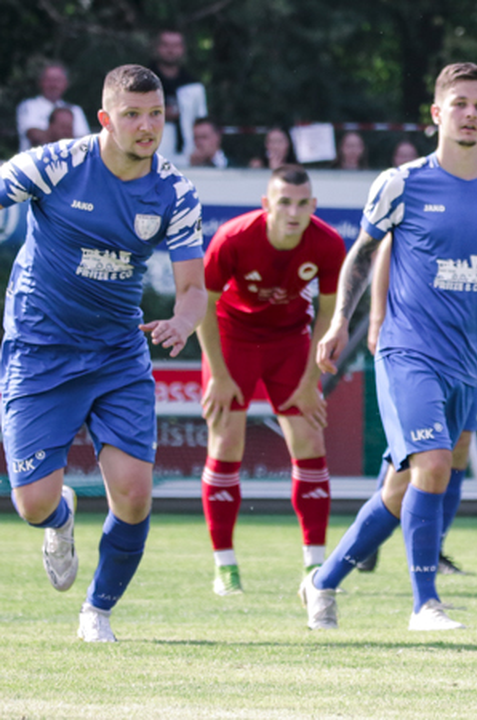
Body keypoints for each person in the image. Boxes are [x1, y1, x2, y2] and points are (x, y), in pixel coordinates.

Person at [300, 62, 477, 633]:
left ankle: (323, 581)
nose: (470, 114)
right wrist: (340, 321)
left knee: (404, 483)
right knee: (433, 465)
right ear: (438, 114)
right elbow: (362, 255)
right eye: (459, 103)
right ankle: (424, 604)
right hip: (407, 349)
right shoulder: (402, 182)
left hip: (469, 355)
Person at [0, 64, 206, 642]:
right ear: (105, 118)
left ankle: (98, 609)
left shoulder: (174, 192)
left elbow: (193, 290)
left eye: (156, 115)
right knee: (33, 503)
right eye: (133, 114)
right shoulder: (56, 164)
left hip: (118, 354)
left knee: (135, 496)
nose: (147, 126)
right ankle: (59, 518)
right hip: (40, 350)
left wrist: (183, 323)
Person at [357, 118, 477, 576]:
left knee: (459, 448)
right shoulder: (422, 183)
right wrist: (376, 319)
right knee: (413, 451)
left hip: (470, 340)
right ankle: (374, 535)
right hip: (419, 337)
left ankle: (435, 549)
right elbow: (385, 250)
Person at [196, 165, 346, 596]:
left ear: (313, 206)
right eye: (284, 202)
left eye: (302, 203)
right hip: (233, 340)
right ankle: (225, 567)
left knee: (310, 442)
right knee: (225, 443)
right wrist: (220, 375)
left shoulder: (328, 243)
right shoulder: (233, 237)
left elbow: (329, 317)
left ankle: (314, 569)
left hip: (290, 343)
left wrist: (308, 380)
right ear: (267, 205)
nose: (293, 212)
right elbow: (202, 306)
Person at [147, 30, 208, 168]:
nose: (171, 50)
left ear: (183, 49)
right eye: (166, 45)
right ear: (157, 47)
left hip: (188, 157)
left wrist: (202, 150)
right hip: (151, 156)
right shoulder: (142, 82)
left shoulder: (193, 86)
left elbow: (202, 122)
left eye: (176, 46)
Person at [16, 62, 91, 150]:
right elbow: (34, 136)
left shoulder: (75, 110)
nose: (53, 85)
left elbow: (85, 142)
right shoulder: (29, 106)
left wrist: (50, 135)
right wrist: (67, 139)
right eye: (49, 80)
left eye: (58, 80)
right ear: (40, 82)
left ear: (66, 84)